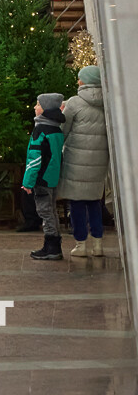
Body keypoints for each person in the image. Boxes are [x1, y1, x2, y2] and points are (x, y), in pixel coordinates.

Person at [60, 65, 110, 258]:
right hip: (99, 160)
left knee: (77, 203)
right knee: (95, 202)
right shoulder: (107, 103)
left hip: (76, 161)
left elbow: (63, 130)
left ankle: (81, 244)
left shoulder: (74, 102)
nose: (78, 81)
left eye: (80, 78)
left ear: (85, 81)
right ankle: (98, 244)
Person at [22, 93, 66, 261]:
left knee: (45, 211)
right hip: (53, 176)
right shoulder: (56, 128)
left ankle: (52, 247)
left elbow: (35, 158)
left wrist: (28, 181)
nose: (35, 107)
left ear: (46, 108)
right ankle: (54, 244)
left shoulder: (40, 130)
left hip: (42, 178)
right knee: (52, 210)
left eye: (38, 104)